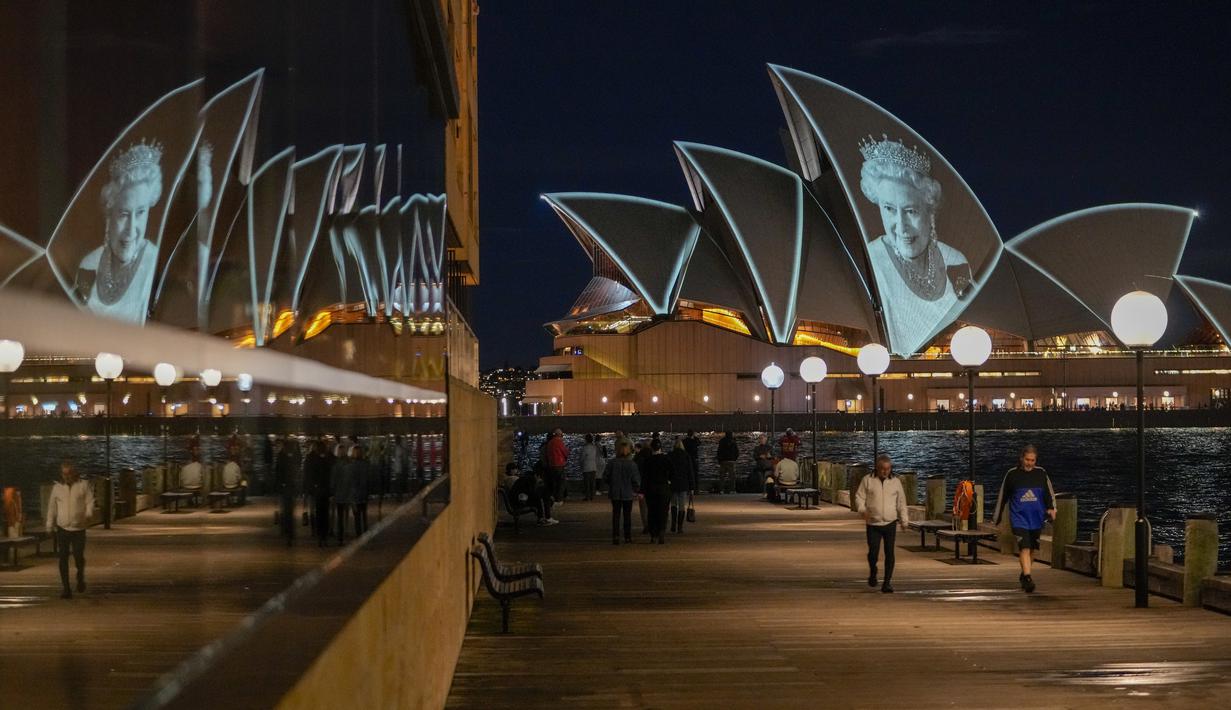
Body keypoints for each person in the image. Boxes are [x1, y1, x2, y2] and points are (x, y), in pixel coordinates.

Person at [859, 135, 973, 354]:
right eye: (889, 209)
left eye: (910, 211)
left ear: (929, 209)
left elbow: (967, 323)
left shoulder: (956, 260)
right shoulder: (870, 262)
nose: (901, 226)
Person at [73, 141, 165, 324]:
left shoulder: (157, 268)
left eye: (140, 213)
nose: (131, 229)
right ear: (110, 213)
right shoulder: (89, 264)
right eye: (124, 214)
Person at [992, 444, 1057, 594]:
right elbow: (1003, 496)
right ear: (1021, 458)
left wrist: (1052, 508)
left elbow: (1049, 493)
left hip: (1036, 518)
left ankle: (1024, 574)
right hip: (1019, 517)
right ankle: (1028, 577)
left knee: (1032, 548)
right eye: (1027, 460)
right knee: (1025, 546)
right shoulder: (1012, 474)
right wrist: (997, 517)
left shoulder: (1041, 473)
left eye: (1033, 460)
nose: (1030, 463)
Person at [854, 454, 909, 593]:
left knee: (889, 553)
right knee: (873, 553)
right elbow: (859, 497)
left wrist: (904, 520)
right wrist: (862, 510)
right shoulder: (867, 480)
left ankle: (887, 583)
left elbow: (901, 502)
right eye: (882, 469)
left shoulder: (896, 482)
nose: (885, 471)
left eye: (888, 468)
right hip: (873, 523)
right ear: (877, 468)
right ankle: (873, 571)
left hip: (890, 522)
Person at [45, 462, 94, 599]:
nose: (66, 476)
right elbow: (52, 508)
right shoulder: (57, 488)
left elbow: (90, 501)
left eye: (69, 473)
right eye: (64, 473)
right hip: (63, 528)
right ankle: (66, 588)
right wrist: (49, 524)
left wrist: (89, 513)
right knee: (63, 558)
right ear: (61, 474)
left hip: (79, 528)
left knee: (78, 555)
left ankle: (80, 576)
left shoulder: (83, 485)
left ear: (74, 473)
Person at [604, 440, 640, 543]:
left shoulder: (612, 463)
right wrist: (636, 489)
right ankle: (627, 537)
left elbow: (605, 477)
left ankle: (616, 536)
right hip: (627, 492)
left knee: (616, 515)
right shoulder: (632, 464)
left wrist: (611, 484)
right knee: (627, 515)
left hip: (615, 492)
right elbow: (636, 480)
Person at [641, 439, 673, 544]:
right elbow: (672, 473)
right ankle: (661, 532)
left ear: (651, 448)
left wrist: (642, 490)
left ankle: (653, 534)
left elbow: (644, 477)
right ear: (660, 447)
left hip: (651, 489)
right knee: (663, 511)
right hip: (664, 488)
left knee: (652, 511)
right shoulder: (666, 459)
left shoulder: (648, 460)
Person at [304, 440, 332, 546]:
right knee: (324, 514)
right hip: (324, 491)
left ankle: (320, 535)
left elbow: (310, 476)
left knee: (319, 514)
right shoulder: (326, 460)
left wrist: (311, 488)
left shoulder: (313, 460)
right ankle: (323, 535)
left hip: (318, 491)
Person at [667, 439, 693, 533]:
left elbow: (667, 470)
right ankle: (680, 527)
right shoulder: (686, 456)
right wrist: (692, 487)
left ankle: (673, 524)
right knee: (682, 506)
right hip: (683, 483)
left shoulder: (670, 455)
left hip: (673, 483)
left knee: (673, 504)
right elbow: (690, 472)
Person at [331, 444, 355, 545]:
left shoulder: (336, 464)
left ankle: (340, 533)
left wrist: (332, 492)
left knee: (340, 514)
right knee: (344, 513)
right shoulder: (349, 464)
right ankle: (345, 530)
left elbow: (333, 480)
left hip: (339, 493)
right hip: (346, 493)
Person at [350, 444, 370, 537]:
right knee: (364, 514)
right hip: (364, 492)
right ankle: (365, 531)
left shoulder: (352, 465)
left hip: (355, 493)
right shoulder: (365, 464)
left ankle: (359, 534)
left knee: (357, 516)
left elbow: (351, 481)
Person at [543, 429, 568, 504]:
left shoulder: (550, 443)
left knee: (554, 482)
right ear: (560, 435)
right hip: (559, 464)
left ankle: (553, 498)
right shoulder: (559, 442)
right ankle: (559, 499)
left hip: (551, 465)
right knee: (561, 482)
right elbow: (565, 452)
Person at [633, 439, 652, 532]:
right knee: (652, 506)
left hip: (641, 485)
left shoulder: (638, 457)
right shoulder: (654, 456)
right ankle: (652, 524)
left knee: (643, 507)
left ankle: (646, 525)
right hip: (652, 485)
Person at [580, 433, 600, 501]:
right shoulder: (594, 447)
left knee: (587, 483)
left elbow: (582, 457)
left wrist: (580, 463)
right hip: (593, 466)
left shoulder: (585, 447)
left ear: (586, 439)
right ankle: (592, 496)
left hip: (586, 466)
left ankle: (587, 496)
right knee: (592, 482)